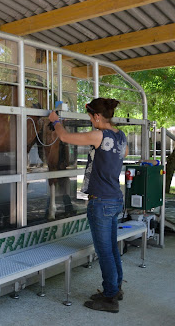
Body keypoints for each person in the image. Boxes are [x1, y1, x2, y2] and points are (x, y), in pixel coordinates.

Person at [49, 98, 128, 313]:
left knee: (105, 252)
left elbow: (64, 137)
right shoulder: (121, 136)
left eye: (90, 117)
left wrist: (56, 121)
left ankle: (110, 297)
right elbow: (123, 155)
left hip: (100, 201)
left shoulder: (98, 134)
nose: (90, 121)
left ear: (98, 117)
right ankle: (115, 288)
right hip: (114, 198)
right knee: (111, 249)